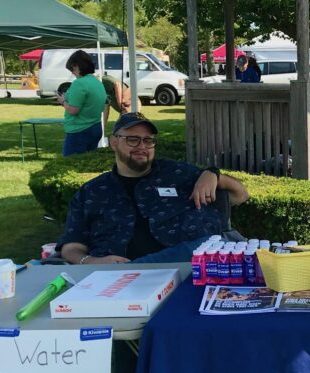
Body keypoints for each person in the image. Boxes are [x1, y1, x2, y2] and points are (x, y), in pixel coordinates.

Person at [57, 112, 250, 265]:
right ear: (114, 142)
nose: (142, 146)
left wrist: (214, 175)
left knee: (208, 245)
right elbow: (71, 246)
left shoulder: (178, 173)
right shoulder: (92, 192)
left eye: (148, 140)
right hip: (116, 274)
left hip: (187, 265)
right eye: (133, 139)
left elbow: (241, 194)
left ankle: (138, 269)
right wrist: (90, 262)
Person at [56, 50, 106, 156]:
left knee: (70, 165)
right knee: (87, 163)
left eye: (72, 69)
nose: (72, 72)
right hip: (95, 126)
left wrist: (63, 101)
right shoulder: (96, 81)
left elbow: (74, 110)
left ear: (76, 66)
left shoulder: (79, 83)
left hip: (79, 130)